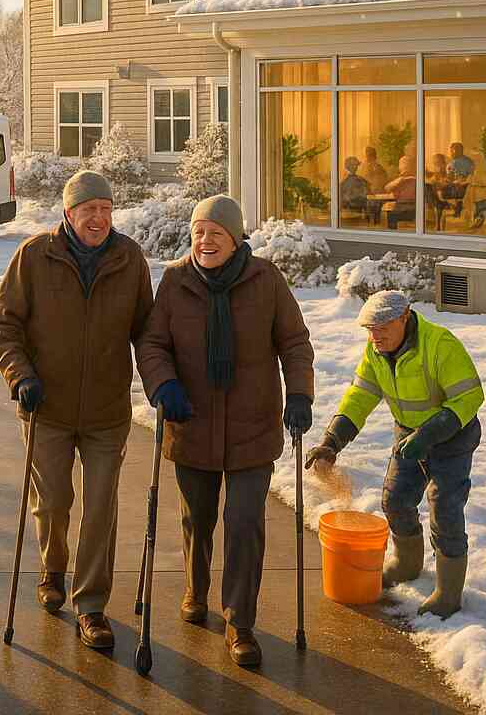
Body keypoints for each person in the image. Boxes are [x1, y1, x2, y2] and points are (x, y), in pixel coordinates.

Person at [137, 195, 314, 667]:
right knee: (197, 519)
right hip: (190, 423)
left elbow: (295, 341)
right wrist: (163, 383)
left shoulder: (266, 281)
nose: (205, 240)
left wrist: (300, 394)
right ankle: (196, 589)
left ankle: (240, 621)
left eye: (216, 233)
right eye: (198, 232)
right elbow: (153, 343)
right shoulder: (175, 282)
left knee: (243, 523)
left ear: (236, 240)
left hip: (251, 428)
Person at [0, 171, 153, 651]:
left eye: (105, 209)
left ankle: (92, 605)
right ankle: (52, 567)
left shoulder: (129, 259)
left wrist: (160, 379)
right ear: (68, 212)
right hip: (47, 408)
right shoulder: (35, 256)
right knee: (54, 501)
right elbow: (2, 326)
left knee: (101, 507)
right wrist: (21, 377)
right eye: (88, 210)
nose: (98, 219)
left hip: (106, 411)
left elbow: (148, 332)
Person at [306, 290, 484, 619]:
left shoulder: (440, 345)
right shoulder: (376, 352)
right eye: (370, 329)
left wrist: (428, 434)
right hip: (407, 435)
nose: (376, 335)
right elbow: (360, 396)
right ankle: (407, 564)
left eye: (383, 326)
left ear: (405, 318)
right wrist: (332, 442)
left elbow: (470, 397)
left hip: (452, 437)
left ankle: (448, 592)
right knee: (395, 500)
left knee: (444, 507)